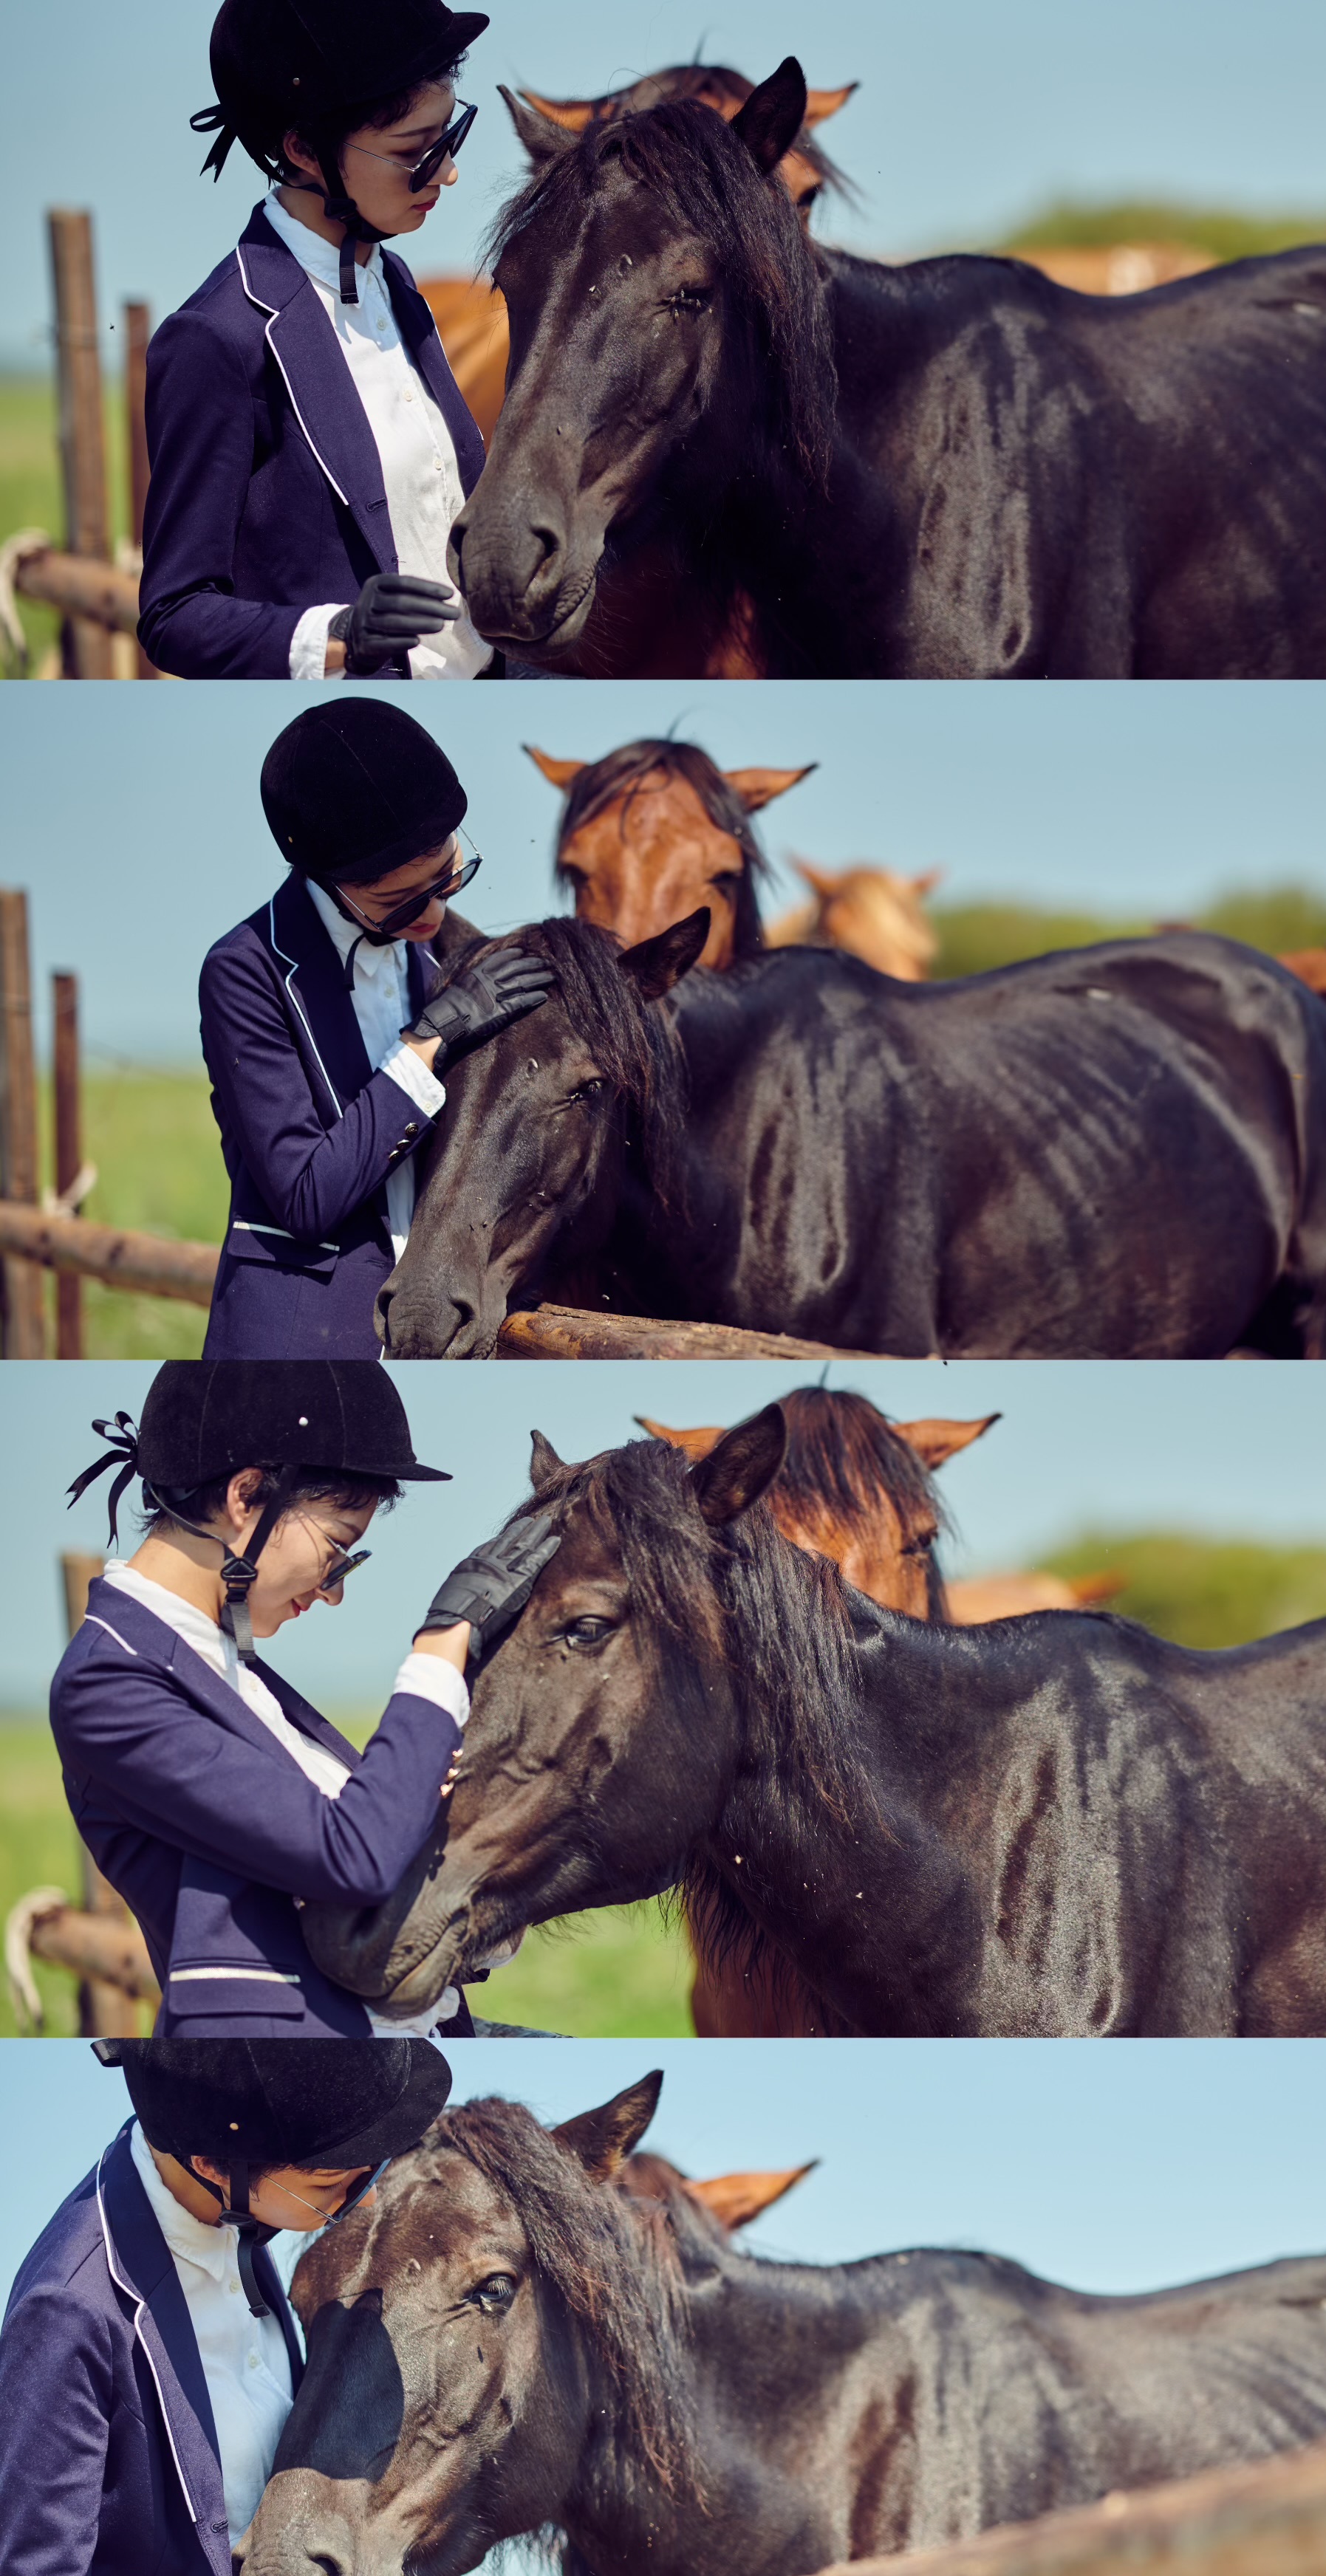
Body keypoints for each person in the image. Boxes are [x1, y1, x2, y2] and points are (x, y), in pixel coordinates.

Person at [49, 1361, 559, 2037]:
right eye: (338, 1549)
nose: (334, 1590)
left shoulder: (230, 1665)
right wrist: (441, 1648)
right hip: (313, 2048)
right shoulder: (107, 1686)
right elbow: (351, 1856)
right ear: (247, 1494)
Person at [0, 2044, 463, 2576]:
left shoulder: (234, 2215)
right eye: (334, 2185)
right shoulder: (69, 2311)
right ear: (215, 2164)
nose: (356, 2197)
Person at [139, 0, 496, 681]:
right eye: (412, 154)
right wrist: (334, 635)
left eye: (448, 138)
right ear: (302, 149)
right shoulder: (217, 338)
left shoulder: (393, 280)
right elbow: (172, 614)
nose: (447, 173)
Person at [199, 702, 551, 1360]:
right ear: (327, 883)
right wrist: (425, 1046)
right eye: (401, 902)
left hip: (448, 1311)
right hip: (304, 1333)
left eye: (448, 877)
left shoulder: (452, 955)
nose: (437, 912)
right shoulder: (243, 971)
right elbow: (306, 1197)